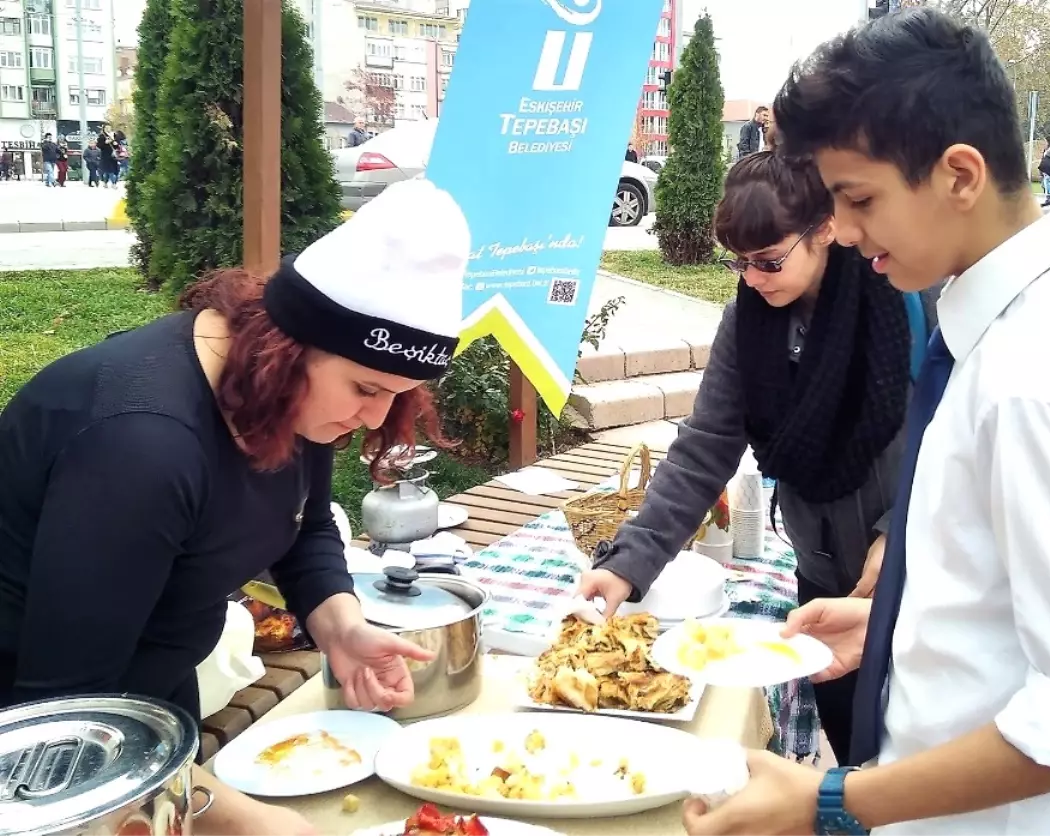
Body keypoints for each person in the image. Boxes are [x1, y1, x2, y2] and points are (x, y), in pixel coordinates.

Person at [682, 8, 1050, 836]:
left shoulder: (1044, 380)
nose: (843, 233)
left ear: (959, 175)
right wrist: (895, 624)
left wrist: (828, 802)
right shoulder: (1000, 326)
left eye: (857, 200)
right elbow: (1003, 588)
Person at [0, 179, 469, 835]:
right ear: (289, 348)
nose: (376, 417)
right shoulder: (142, 447)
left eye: (398, 395)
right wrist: (249, 821)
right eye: (366, 388)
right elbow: (66, 719)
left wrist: (341, 628)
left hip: (153, 720)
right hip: (39, 763)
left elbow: (302, 529)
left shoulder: (282, 392)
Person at [577, 150, 936, 766]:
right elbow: (703, 448)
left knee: (919, 757)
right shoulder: (747, 320)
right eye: (738, 262)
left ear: (825, 228)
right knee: (853, 750)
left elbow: (950, 435)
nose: (752, 279)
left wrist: (897, 532)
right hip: (822, 573)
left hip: (917, 575)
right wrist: (628, 562)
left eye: (769, 261)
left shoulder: (905, 299)